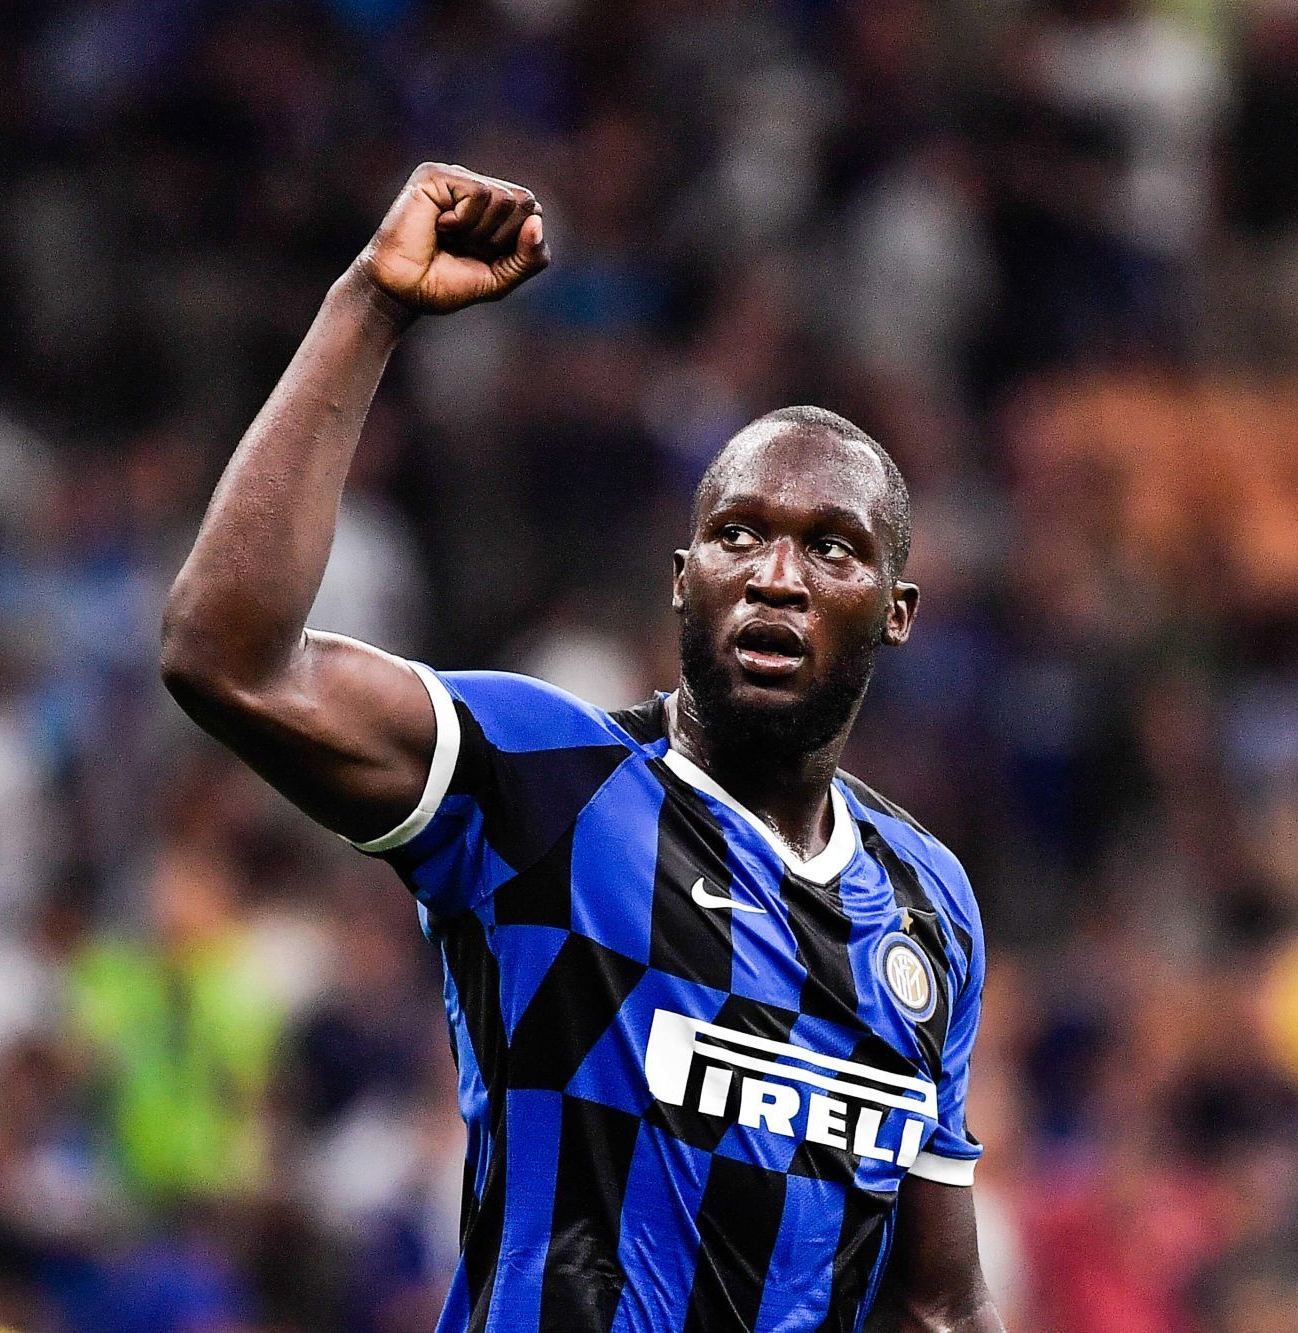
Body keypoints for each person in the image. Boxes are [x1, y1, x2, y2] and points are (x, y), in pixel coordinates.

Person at [161, 163, 1001, 1331]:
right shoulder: (549, 781)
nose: (775, 575)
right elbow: (227, 657)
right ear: (682, 580)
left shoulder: (926, 903)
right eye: (737, 534)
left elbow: (937, 1307)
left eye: (830, 548)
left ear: (896, 611)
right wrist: (370, 304)